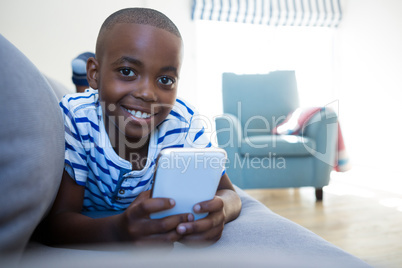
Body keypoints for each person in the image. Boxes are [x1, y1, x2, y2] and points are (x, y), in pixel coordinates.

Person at [43, 8, 241, 247]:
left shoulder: (184, 122)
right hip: (91, 108)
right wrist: (118, 232)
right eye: (127, 72)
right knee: (88, 104)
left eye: (165, 80)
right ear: (94, 73)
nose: (148, 93)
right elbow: (55, 224)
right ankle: (80, 86)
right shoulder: (76, 119)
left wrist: (220, 212)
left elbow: (230, 194)